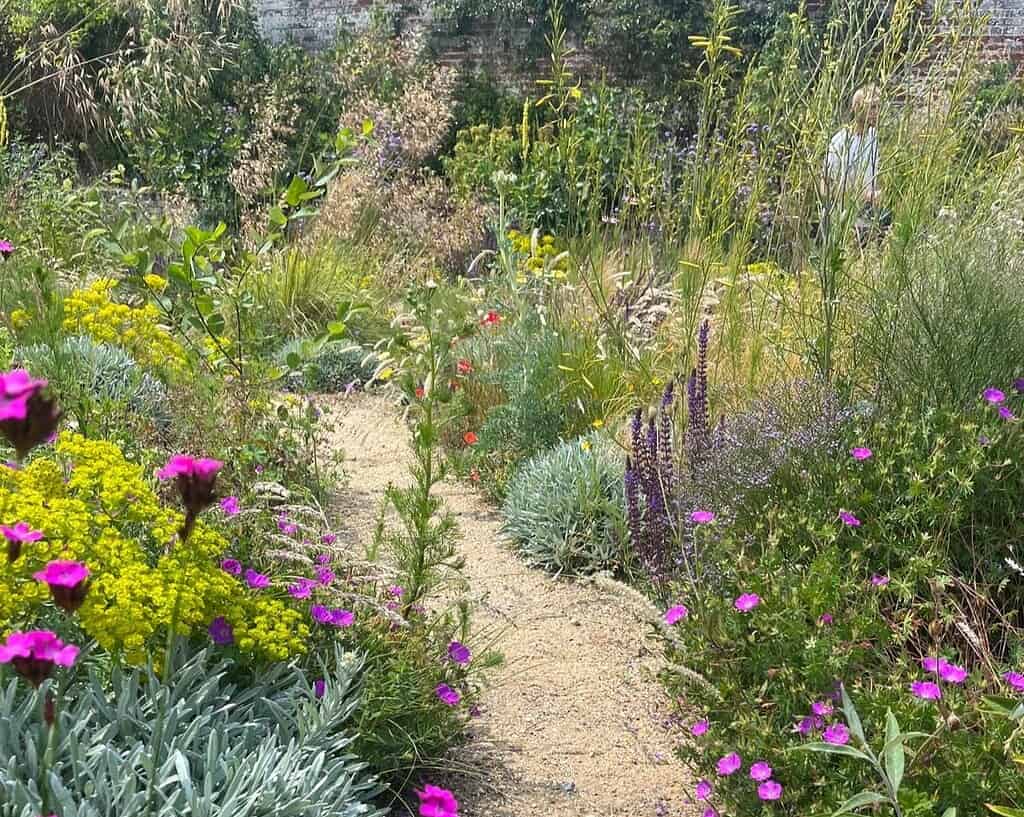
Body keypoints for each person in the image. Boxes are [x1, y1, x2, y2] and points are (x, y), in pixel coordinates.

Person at [821, 84, 888, 243]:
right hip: (843, 218)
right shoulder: (840, 141)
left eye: (879, 107)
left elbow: (874, 178)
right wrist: (858, 194)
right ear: (857, 108)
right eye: (872, 107)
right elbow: (825, 186)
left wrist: (877, 193)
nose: (876, 113)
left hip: (868, 216)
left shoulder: (873, 138)